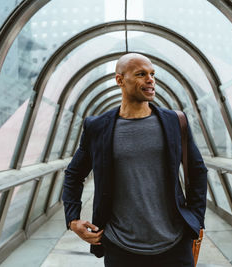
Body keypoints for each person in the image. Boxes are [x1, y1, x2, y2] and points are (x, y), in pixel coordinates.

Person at [62, 53, 208, 267]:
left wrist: (195, 219)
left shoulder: (175, 122)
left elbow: (197, 171)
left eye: (152, 74)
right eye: (141, 74)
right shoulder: (97, 127)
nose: (150, 80)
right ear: (120, 80)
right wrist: (73, 220)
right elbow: (74, 174)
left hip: (175, 244)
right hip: (120, 247)